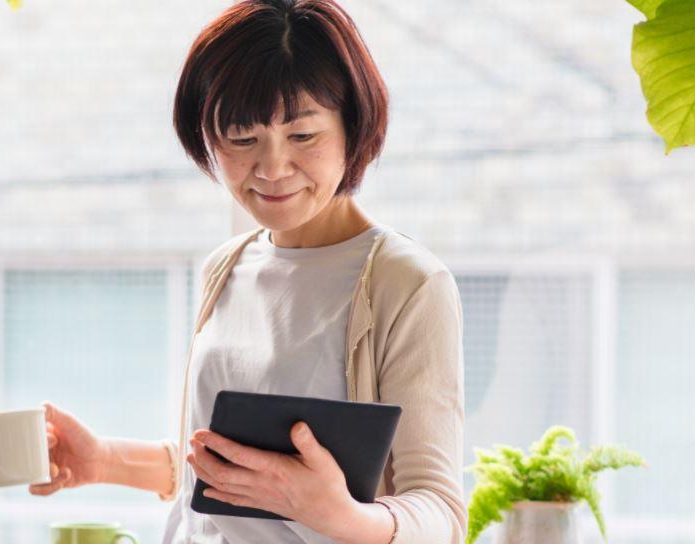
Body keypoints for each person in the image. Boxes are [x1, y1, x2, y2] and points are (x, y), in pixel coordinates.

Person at [29, 1, 465, 542]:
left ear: (353, 126)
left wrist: (337, 514)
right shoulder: (226, 266)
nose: (272, 168)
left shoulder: (407, 282)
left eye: (303, 136)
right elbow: (232, 472)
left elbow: (441, 513)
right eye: (241, 138)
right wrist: (104, 460)